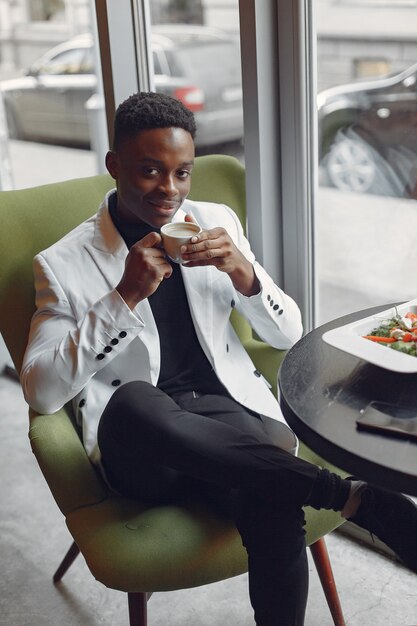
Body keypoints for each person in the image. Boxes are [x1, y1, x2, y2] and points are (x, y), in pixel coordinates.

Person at [20, 91, 417, 626]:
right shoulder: (62, 263)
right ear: (114, 166)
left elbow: (286, 333)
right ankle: (348, 498)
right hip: (142, 445)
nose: (170, 191)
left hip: (227, 416)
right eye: (150, 172)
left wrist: (246, 276)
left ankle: (339, 504)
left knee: (271, 500)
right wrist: (123, 298)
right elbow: (41, 389)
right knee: (137, 400)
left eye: (182, 173)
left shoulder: (213, 220)